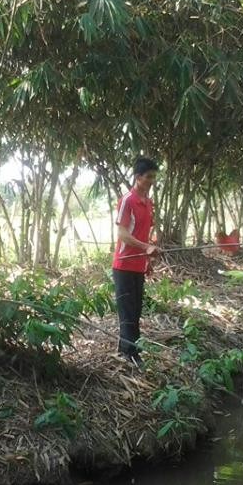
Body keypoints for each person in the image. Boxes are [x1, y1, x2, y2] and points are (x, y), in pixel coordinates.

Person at [112, 157, 160, 367]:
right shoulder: (127, 201)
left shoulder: (148, 203)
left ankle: (134, 350)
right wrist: (145, 248)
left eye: (153, 177)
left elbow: (144, 234)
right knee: (127, 310)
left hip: (139, 265)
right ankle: (127, 352)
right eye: (148, 177)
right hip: (124, 264)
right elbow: (122, 233)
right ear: (138, 177)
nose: (151, 181)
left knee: (136, 309)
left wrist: (147, 258)